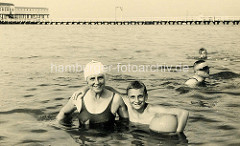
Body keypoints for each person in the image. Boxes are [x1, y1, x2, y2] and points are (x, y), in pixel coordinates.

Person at [74, 81, 189, 133]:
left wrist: (178, 133)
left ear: (146, 97)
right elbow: (105, 87)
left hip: (148, 133)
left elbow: (184, 113)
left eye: (140, 96)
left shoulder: (154, 110)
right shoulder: (126, 103)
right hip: (132, 131)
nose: (136, 101)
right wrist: (83, 89)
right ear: (128, 98)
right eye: (132, 97)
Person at [56, 60, 128, 128]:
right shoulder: (79, 97)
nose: (97, 82)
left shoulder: (116, 99)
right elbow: (63, 113)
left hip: (107, 140)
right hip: (83, 140)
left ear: (105, 79)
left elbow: (125, 124)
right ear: (86, 81)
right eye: (92, 79)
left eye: (100, 78)